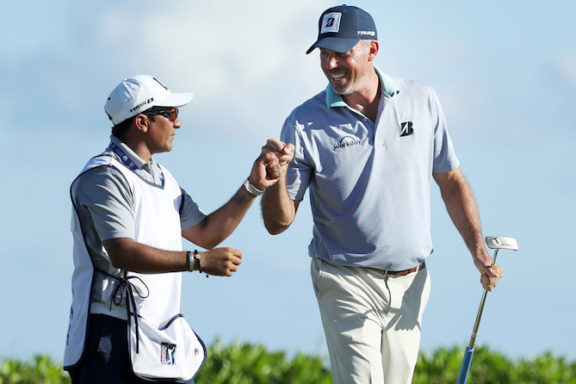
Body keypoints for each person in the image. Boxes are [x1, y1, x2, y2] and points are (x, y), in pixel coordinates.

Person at [260, 5, 503, 384]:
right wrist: (275, 180)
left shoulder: (422, 100)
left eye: (342, 53)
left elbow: (451, 181)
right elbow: (278, 222)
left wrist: (478, 251)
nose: (331, 64)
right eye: (325, 54)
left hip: (411, 283)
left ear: (372, 51)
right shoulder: (303, 122)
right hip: (345, 280)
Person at [64, 74, 287, 383]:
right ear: (142, 122)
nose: (178, 123)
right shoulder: (104, 176)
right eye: (170, 114)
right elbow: (122, 252)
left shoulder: (165, 181)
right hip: (110, 336)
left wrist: (252, 187)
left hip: (158, 332)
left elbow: (208, 232)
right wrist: (197, 262)